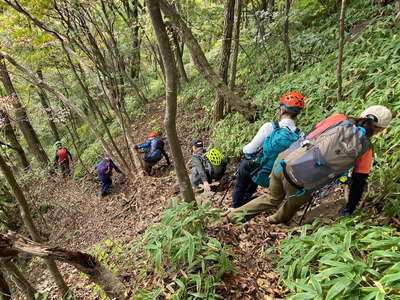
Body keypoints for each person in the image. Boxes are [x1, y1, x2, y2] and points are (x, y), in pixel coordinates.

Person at [227, 105, 392, 224]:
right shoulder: (365, 149)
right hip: (303, 184)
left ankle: (233, 216)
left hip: (285, 162)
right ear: (380, 129)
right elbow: (358, 182)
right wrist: (349, 208)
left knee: (271, 197)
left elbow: (310, 136)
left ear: (364, 114)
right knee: (292, 203)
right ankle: (274, 220)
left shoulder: (338, 119)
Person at [231, 92, 305, 208]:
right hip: (274, 176)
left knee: (246, 165)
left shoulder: (270, 127)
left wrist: (243, 148)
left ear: (281, 110)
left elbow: (250, 150)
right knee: (256, 170)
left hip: (257, 168)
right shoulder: (300, 135)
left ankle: (234, 207)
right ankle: (245, 204)